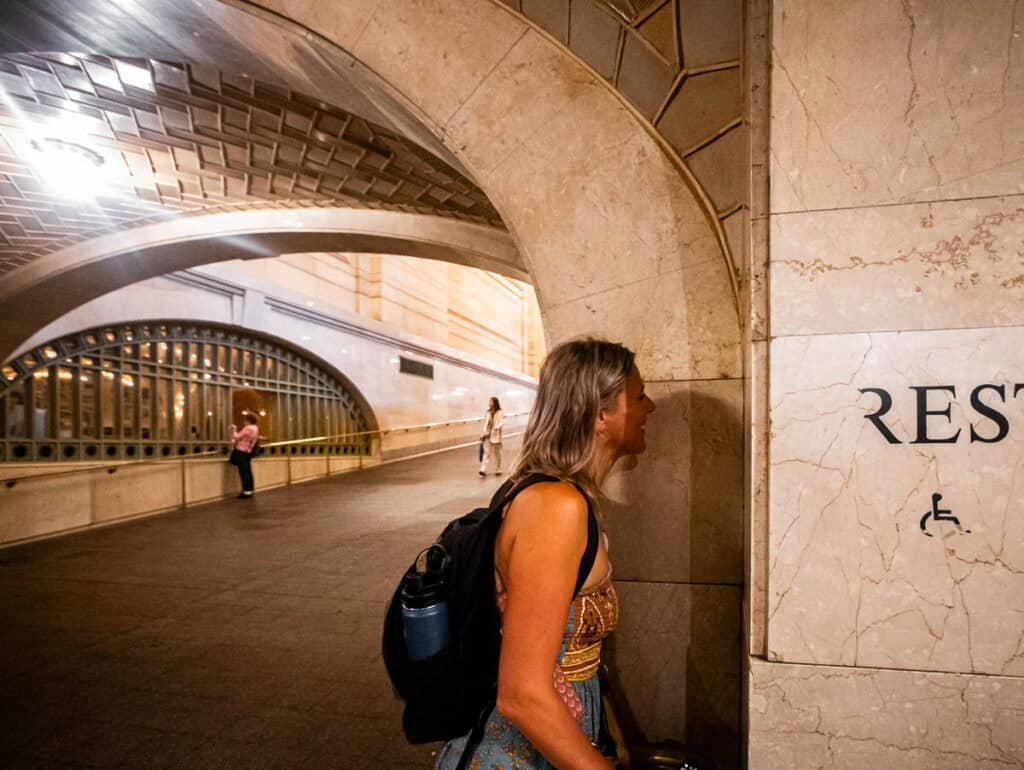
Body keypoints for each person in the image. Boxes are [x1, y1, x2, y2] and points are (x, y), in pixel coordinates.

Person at [437, 338, 656, 770]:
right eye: (638, 396)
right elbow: (522, 694)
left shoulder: (566, 497)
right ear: (600, 414)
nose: (650, 407)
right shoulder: (556, 506)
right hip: (519, 755)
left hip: (559, 741)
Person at [229, 413, 259, 499]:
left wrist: (234, 429)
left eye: (245, 419)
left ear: (248, 420)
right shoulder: (255, 428)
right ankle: (250, 490)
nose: (244, 421)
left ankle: (246, 491)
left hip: (241, 451)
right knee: (248, 471)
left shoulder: (248, 428)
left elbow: (237, 436)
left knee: (243, 472)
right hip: (248, 452)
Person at [478, 396, 504, 477]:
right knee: (486, 453)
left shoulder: (500, 412)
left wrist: (497, 428)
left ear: (495, 402)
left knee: (497, 454)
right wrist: (482, 434)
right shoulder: (487, 412)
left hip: (496, 436)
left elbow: (502, 421)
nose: (489, 403)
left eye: (491, 401)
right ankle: (483, 469)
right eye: (489, 401)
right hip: (487, 435)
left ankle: (498, 469)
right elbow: (485, 424)